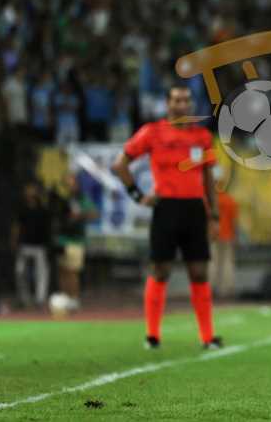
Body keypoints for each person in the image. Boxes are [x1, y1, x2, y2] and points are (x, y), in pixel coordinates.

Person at [112, 84, 222, 350]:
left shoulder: (202, 137)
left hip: (195, 208)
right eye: (177, 100)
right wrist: (138, 195)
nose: (182, 104)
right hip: (166, 208)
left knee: (199, 272)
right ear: (168, 104)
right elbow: (120, 164)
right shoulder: (152, 132)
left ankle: (207, 337)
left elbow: (208, 177)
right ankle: (152, 335)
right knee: (160, 270)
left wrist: (214, 214)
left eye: (186, 100)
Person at [54, 172, 96, 309]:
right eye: (67, 182)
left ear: (77, 184)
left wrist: (79, 215)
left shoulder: (81, 198)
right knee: (62, 270)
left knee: (72, 271)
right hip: (62, 239)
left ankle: (74, 298)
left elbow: (94, 214)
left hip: (76, 240)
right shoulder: (63, 199)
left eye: (71, 182)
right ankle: (65, 297)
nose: (69, 185)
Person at [12, 180, 52, 309]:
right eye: (28, 190)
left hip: (39, 245)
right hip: (24, 245)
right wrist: (14, 241)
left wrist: (48, 244)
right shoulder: (21, 208)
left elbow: (48, 228)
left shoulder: (43, 209)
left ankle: (40, 299)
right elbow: (16, 226)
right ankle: (24, 299)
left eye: (32, 190)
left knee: (41, 274)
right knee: (20, 272)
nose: (30, 193)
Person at [210, 184, 238, 299]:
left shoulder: (212, 201)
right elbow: (234, 221)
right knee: (227, 263)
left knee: (212, 262)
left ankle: (211, 288)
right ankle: (226, 289)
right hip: (227, 235)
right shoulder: (230, 200)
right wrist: (235, 236)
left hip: (213, 235)